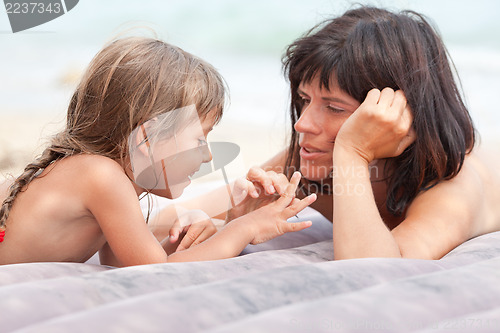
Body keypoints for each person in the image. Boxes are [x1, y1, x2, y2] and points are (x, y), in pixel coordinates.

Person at [0, 37, 316, 267]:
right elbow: (155, 272)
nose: (207, 157)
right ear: (147, 139)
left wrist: (177, 242)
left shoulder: (102, 176)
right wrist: (244, 228)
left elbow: (122, 263)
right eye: (199, 140)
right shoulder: (101, 176)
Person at [228, 6, 500, 260]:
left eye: (334, 107)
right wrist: (234, 220)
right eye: (304, 99)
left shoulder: (452, 186)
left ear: (398, 114)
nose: (303, 124)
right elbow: (198, 213)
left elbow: (369, 267)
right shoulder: (313, 162)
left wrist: (352, 152)